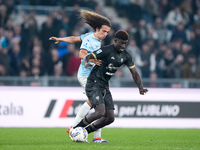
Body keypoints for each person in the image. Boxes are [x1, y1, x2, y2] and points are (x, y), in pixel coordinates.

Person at [71, 30, 148, 140]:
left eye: (125, 43)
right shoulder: (106, 50)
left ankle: (85, 131)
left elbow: (134, 73)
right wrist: (87, 62)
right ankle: (75, 130)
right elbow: (87, 56)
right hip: (93, 83)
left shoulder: (126, 56)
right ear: (115, 40)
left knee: (110, 118)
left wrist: (140, 88)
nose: (123, 45)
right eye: (121, 43)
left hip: (104, 86)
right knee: (100, 112)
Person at [49, 9, 111, 143]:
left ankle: (76, 128)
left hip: (93, 76)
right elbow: (81, 54)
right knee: (98, 106)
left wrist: (61, 39)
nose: (105, 34)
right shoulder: (90, 40)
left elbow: (74, 38)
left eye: (107, 32)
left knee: (93, 103)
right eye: (103, 31)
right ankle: (95, 136)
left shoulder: (90, 36)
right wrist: (93, 61)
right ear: (97, 29)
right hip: (86, 76)